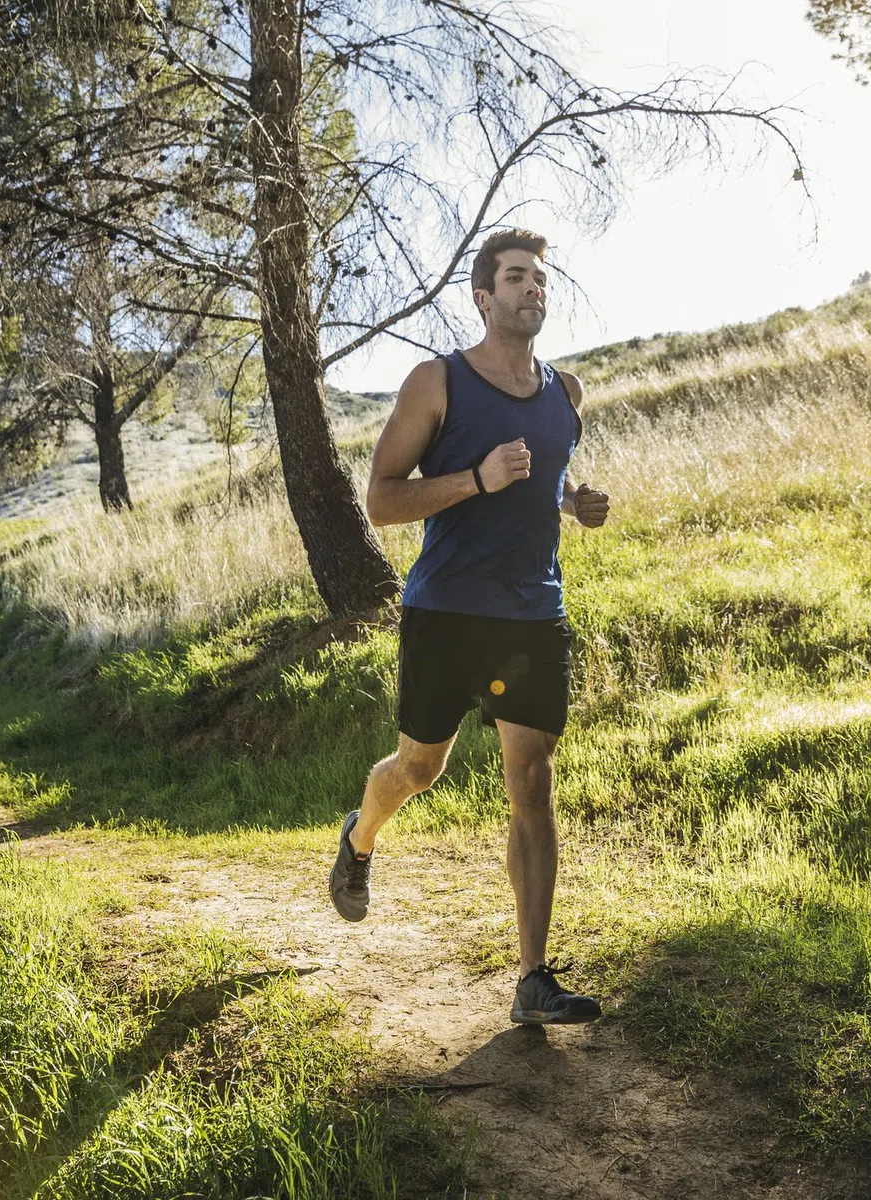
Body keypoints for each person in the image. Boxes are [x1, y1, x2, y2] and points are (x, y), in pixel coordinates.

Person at [329, 227, 610, 1026]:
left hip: (530, 612)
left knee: (532, 779)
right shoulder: (437, 383)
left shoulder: (567, 395)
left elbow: (541, 487)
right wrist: (475, 479)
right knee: (419, 770)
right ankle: (362, 834)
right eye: (517, 278)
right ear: (484, 298)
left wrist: (573, 506)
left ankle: (533, 980)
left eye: (541, 280)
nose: (534, 290)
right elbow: (382, 502)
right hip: (444, 609)